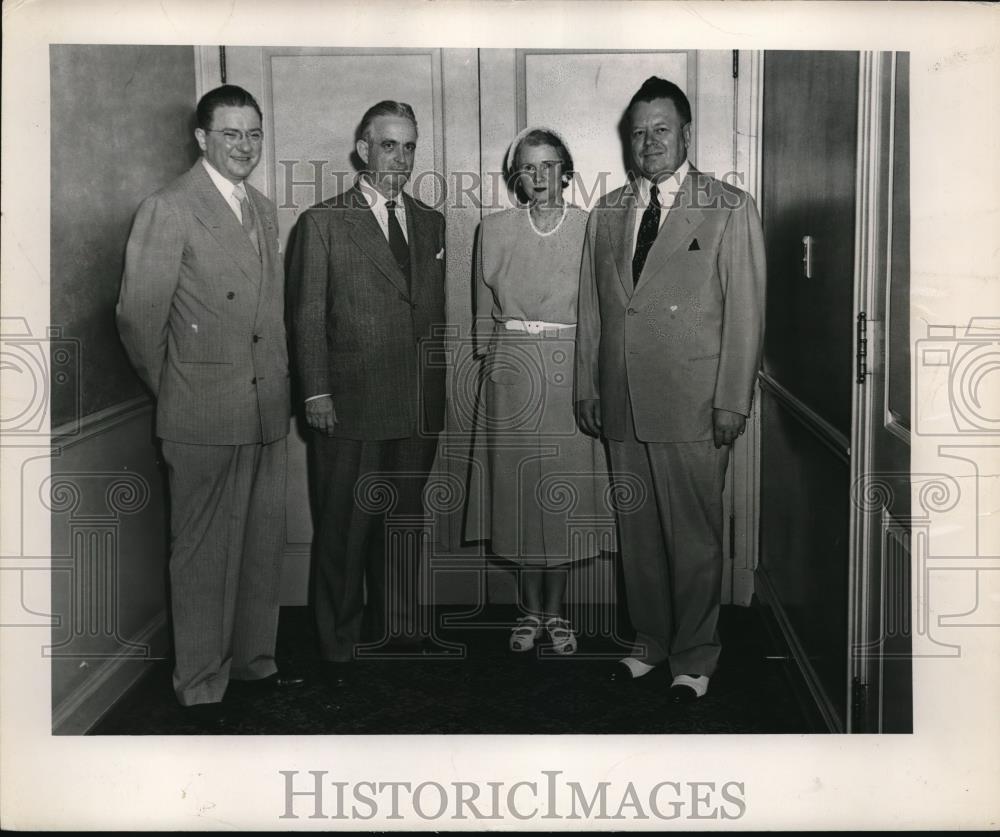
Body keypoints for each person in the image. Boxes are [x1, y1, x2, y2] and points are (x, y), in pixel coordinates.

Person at [575, 76, 766, 702]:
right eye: (638, 132)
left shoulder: (729, 207)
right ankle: (651, 643)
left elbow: (746, 311)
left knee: (694, 535)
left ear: (686, 132)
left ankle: (695, 655)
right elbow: (594, 312)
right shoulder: (607, 212)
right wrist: (588, 386)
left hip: (695, 402)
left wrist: (732, 399)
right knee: (639, 533)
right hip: (622, 400)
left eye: (661, 129)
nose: (648, 141)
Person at [116, 84, 301, 727]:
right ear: (202, 138)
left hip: (265, 407)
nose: (245, 146)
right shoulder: (169, 208)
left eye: (253, 134)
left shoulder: (266, 208)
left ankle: (253, 661)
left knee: (258, 543)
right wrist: (181, 391)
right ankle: (200, 683)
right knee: (200, 555)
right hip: (200, 410)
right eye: (231, 134)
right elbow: (140, 322)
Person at [288, 101, 447, 678]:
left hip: (417, 402)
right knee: (344, 528)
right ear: (363, 149)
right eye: (388, 146)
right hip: (349, 403)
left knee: (403, 525)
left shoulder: (431, 222)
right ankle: (337, 642)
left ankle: (401, 630)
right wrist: (315, 394)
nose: (399, 159)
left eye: (408, 147)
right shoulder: (323, 222)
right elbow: (305, 317)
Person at [465, 127, 615, 655]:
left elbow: (601, 309)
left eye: (549, 165)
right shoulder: (494, 228)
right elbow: (484, 310)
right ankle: (529, 612)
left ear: (567, 170)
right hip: (512, 374)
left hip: (572, 372)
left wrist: (594, 376)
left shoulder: (591, 227)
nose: (539, 177)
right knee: (522, 496)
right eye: (528, 168)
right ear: (516, 177)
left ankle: (558, 613)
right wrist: (492, 363)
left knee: (563, 498)